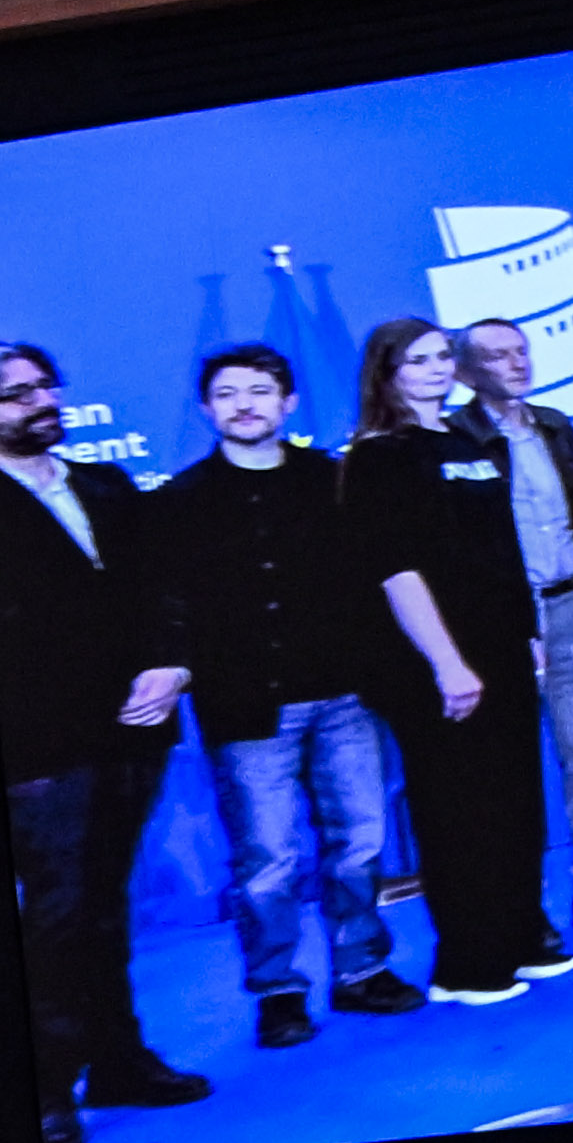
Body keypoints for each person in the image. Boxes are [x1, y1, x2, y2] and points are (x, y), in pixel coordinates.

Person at [121, 341, 425, 1050]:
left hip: (345, 697)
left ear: (287, 402)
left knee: (359, 841)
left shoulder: (334, 481)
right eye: (226, 393)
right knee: (267, 860)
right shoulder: (177, 502)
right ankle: (277, 992)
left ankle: (360, 970)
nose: (243, 404)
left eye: (258, 391)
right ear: (205, 408)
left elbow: (375, 583)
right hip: (247, 707)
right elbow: (163, 603)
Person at [0, 342, 209, 1139]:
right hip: (38, 744)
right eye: (17, 393)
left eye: (46, 387)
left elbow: (164, 585)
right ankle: (41, 1089)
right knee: (58, 915)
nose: (41, 402)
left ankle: (117, 1062)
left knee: (104, 906)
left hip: (134, 731)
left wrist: (171, 664)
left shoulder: (101, 483)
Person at [350, 314, 551, 1007]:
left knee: (514, 801)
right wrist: (445, 661)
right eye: (416, 360)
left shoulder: (468, 440)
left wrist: (525, 633)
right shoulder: (380, 454)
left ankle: (520, 934)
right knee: (457, 809)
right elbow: (396, 569)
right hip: (435, 660)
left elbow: (500, 549)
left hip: (500, 646)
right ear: (386, 374)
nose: (434, 369)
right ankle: (465, 963)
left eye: (441, 357)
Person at [468, 314, 573, 1008]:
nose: (514, 363)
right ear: (465, 368)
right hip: (499, 623)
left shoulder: (556, 425)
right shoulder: (454, 440)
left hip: (568, 610)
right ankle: (522, 919)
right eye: (496, 355)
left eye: (520, 351)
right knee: (502, 788)